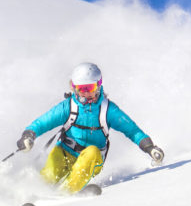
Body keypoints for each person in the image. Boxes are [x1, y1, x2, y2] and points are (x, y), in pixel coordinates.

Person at [16, 62, 164, 193]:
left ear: (98, 86)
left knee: (92, 152)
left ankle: (67, 192)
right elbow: (43, 122)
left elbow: (132, 130)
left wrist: (149, 147)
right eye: (81, 89)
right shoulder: (68, 106)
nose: (85, 93)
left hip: (93, 159)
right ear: (73, 88)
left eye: (90, 88)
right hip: (66, 152)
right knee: (53, 165)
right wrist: (29, 135)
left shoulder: (108, 110)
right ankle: (36, 193)